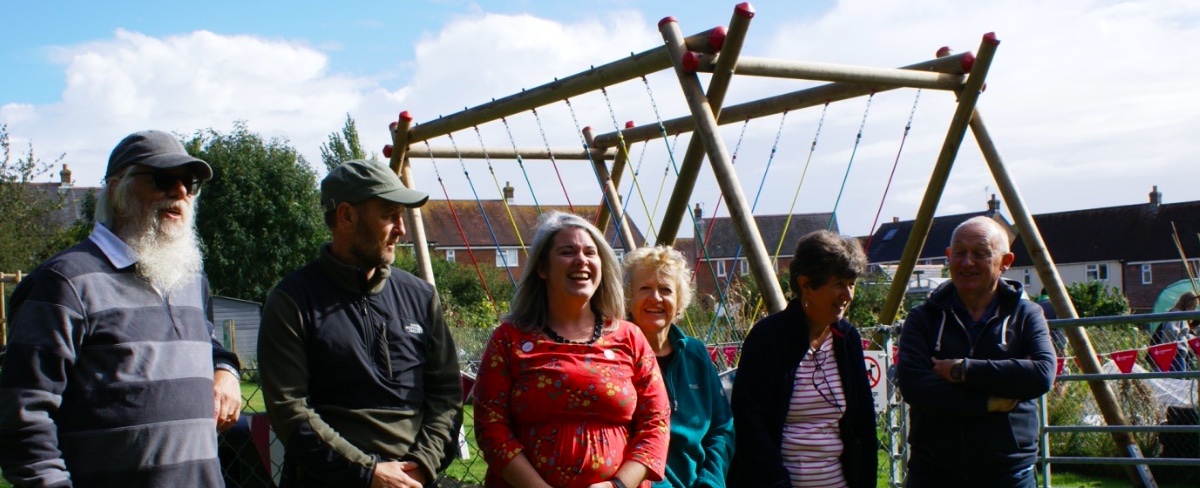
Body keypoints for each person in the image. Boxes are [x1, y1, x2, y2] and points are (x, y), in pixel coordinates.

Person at [0, 130, 242, 486]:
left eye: (189, 184)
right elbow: (22, 419)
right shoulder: (64, 282)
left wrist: (226, 371)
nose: (180, 193)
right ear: (117, 190)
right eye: (163, 179)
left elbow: (207, 344)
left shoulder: (189, 278)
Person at [258, 159, 462, 487]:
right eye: (389, 215)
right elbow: (290, 411)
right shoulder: (292, 301)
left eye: (402, 216)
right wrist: (368, 474)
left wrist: (422, 465)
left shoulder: (421, 298)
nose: (402, 228)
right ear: (347, 216)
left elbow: (447, 398)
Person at [473, 211, 670, 488]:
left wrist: (619, 486)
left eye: (591, 252)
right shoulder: (509, 340)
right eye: (567, 251)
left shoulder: (630, 338)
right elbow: (490, 426)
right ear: (542, 268)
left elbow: (656, 423)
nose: (581, 260)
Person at [897, 216, 1056, 487]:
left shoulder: (1027, 315)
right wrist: (989, 401)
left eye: (980, 254)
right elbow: (915, 387)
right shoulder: (923, 318)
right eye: (959, 252)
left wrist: (962, 370)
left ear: (1006, 262)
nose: (967, 262)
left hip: (1008, 473)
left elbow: (1041, 375)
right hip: (934, 472)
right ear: (948, 256)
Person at [728, 229, 877, 488]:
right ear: (806, 284)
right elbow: (750, 424)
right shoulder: (768, 339)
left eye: (851, 284)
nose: (848, 295)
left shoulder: (847, 339)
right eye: (839, 284)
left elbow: (864, 423)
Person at [623, 246, 735, 488]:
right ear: (628, 297)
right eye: (645, 289)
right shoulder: (616, 357)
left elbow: (721, 428)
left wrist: (710, 482)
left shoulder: (695, 355)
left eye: (666, 290)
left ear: (679, 299)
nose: (656, 298)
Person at [1150, 291, 1198, 372]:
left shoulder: (1180, 315)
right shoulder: (1177, 315)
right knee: (1180, 381)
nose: (1194, 310)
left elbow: (1181, 335)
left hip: (1175, 354)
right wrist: (1170, 350)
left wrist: (1193, 338)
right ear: (1188, 304)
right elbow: (1170, 330)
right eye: (1194, 306)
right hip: (1175, 355)